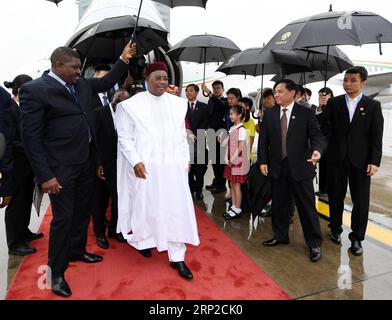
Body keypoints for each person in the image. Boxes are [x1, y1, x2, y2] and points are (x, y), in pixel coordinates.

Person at [19, 42, 135, 298]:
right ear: (58, 65)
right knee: (63, 219)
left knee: (83, 211)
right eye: (74, 68)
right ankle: (55, 273)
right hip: (58, 169)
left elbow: (106, 83)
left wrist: (123, 59)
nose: (79, 72)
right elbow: (31, 138)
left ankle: (77, 250)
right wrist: (45, 176)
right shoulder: (35, 91)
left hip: (86, 163)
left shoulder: (80, 85)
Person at [116, 62, 199, 280]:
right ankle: (144, 241)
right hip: (147, 167)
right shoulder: (130, 105)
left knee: (175, 208)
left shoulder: (177, 104)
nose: (162, 82)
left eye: (165, 78)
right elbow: (124, 137)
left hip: (172, 167)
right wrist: (135, 161)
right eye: (158, 78)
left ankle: (177, 256)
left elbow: (182, 136)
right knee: (147, 207)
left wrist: (186, 160)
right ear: (147, 79)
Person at [258, 79, 324, 262]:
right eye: (275, 91)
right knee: (279, 204)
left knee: (306, 207)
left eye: (280, 91)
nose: (276, 95)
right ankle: (280, 236)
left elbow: (317, 135)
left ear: (292, 93)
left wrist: (317, 150)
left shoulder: (306, 112)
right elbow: (264, 140)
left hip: (301, 167)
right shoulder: (269, 114)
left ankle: (314, 243)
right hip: (278, 167)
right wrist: (263, 161)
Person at [322, 66, 384, 256]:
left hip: (362, 161)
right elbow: (323, 125)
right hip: (337, 159)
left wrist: (374, 161)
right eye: (346, 80)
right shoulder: (335, 103)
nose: (348, 84)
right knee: (335, 196)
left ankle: (357, 238)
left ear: (363, 82)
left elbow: (376, 136)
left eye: (353, 80)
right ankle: (335, 228)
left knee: (361, 201)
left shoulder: (372, 106)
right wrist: (322, 108)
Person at [3, 75, 44, 256]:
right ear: (20, 91)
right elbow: (8, 142)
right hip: (14, 165)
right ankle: (14, 242)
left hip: (27, 164)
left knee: (26, 199)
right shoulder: (7, 109)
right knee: (15, 204)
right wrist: (32, 145)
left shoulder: (23, 108)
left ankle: (24, 231)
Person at [93, 90, 130, 249]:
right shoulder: (98, 114)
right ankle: (99, 232)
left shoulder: (127, 115)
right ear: (113, 101)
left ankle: (115, 229)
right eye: (120, 104)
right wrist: (98, 163)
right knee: (100, 201)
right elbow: (92, 141)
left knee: (118, 197)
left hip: (120, 165)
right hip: (101, 166)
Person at [202, 81, 230, 194]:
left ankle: (221, 184)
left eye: (218, 88)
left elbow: (220, 105)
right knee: (214, 160)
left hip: (221, 135)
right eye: (214, 88)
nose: (216, 90)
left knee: (220, 161)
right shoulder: (211, 101)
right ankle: (216, 181)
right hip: (211, 134)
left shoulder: (225, 101)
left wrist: (208, 92)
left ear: (223, 89)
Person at [222, 105, 248, 220]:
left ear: (239, 115)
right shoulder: (232, 128)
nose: (230, 116)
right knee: (231, 184)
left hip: (236, 161)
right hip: (230, 160)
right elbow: (228, 144)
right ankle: (233, 206)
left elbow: (240, 148)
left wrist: (231, 159)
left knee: (236, 185)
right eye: (230, 114)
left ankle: (238, 208)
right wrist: (225, 157)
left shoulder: (241, 129)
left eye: (232, 114)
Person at [185, 84, 208, 200]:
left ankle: (199, 190)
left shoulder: (204, 106)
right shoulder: (182, 106)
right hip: (186, 141)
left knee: (199, 167)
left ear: (197, 92)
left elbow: (206, 122)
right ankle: (190, 187)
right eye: (187, 91)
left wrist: (198, 133)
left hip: (199, 140)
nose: (188, 93)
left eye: (191, 91)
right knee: (188, 167)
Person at [315, 87, 334, 196]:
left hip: (332, 143)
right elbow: (317, 122)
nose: (321, 98)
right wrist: (320, 108)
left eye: (324, 96)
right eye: (320, 96)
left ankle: (329, 189)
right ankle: (322, 189)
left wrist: (326, 106)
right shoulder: (319, 109)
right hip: (322, 143)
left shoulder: (334, 107)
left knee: (330, 169)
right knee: (322, 166)